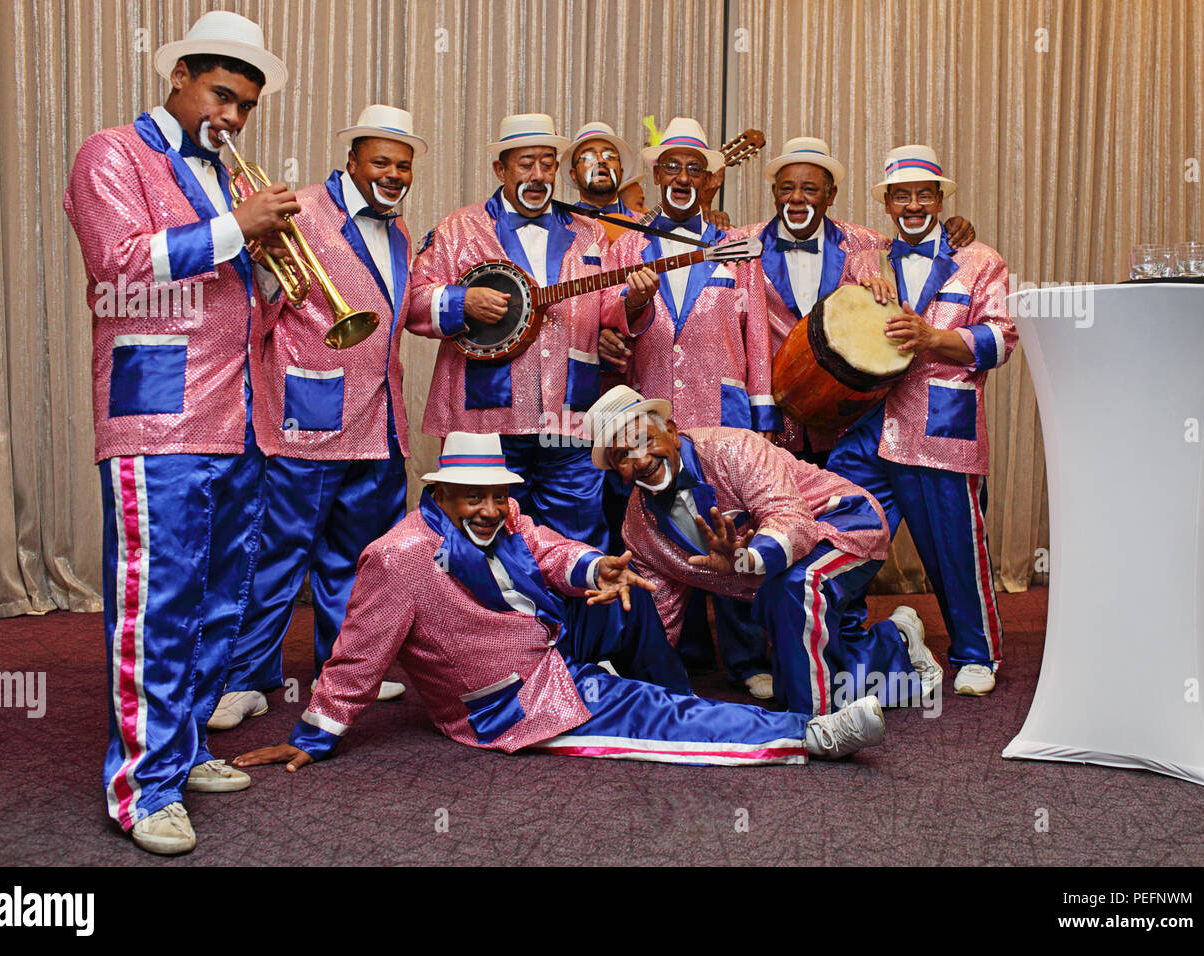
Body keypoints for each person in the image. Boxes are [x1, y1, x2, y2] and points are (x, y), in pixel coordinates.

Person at [231, 432, 887, 775]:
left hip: (552, 649)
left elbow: (550, 551)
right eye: (472, 497)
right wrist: (313, 737)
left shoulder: (508, 516)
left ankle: (676, 690)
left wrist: (597, 564)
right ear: (442, 495)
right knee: (657, 723)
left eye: (496, 495)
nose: (490, 508)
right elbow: (356, 654)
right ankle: (808, 737)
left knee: (627, 603)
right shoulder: (398, 557)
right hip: (513, 701)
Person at [63, 10, 296, 855]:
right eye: (222, 96)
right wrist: (242, 230)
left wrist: (270, 268)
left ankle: (182, 746)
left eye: (245, 107)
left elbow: (237, 298)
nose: (231, 119)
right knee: (155, 606)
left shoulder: (226, 179)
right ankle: (141, 787)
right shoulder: (111, 153)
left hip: (234, 417)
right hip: (155, 416)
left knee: (216, 603)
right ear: (180, 77)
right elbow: (118, 263)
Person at [210, 105, 426, 732]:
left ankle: (344, 668)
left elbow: (398, 315)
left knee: (358, 559)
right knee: (275, 555)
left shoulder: (402, 230)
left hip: (379, 420)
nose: (393, 174)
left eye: (403, 165)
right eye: (380, 161)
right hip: (307, 417)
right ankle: (247, 677)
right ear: (352, 159)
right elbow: (257, 313)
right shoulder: (299, 209)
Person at [584, 386, 945, 719]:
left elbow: (791, 519)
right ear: (618, 472)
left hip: (844, 521)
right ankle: (897, 644)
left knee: (795, 588)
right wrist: (625, 674)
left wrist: (745, 559)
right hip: (780, 570)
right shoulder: (638, 525)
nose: (641, 459)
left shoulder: (732, 449)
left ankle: (814, 721)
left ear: (673, 433)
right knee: (796, 655)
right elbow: (662, 612)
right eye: (623, 456)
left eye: (645, 440)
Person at [599, 116, 779, 699]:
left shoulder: (735, 246)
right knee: (662, 524)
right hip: (653, 419)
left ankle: (747, 657)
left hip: (721, 412)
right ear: (654, 176)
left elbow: (757, 339)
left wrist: (764, 417)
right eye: (671, 167)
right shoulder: (625, 244)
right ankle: (679, 649)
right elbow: (610, 331)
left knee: (730, 525)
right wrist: (630, 305)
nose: (682, 177)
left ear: (710, 182)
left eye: (694, 169)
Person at [827, 144, 1016, 697]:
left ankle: (976, 653)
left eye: (924, 194)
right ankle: (853, 643)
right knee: (845, 535)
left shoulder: (981, 260)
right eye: (901, 195)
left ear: (939, 199)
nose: (913, 204)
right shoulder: (864, 258)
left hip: (941, 426)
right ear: (886, 203)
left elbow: (1004, 337)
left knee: (955, 548)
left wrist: (936, 339)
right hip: (867, 426)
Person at [408, 113, 615, 549]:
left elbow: (610, 308)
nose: (538, 175)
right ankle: (492, 619)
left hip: (570, 412)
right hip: (486, 414)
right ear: (500, 170)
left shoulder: (589, 232)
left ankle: (567, 620)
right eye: (525, 164)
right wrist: (464, 302)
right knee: (485, 535)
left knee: (577, 530)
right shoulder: (457, 229)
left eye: (547, 163)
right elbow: (413, 302)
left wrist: (631, 306)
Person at [730, 136, 975, 464]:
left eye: (811, 189)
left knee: (845, 512)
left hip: (845, 426)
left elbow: (918, 245)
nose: (797, 199)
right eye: (786, 188)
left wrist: (952, 231)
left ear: (831, 195)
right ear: (774, 193)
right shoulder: (741, 244)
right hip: (773, 426)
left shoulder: (867, 242)